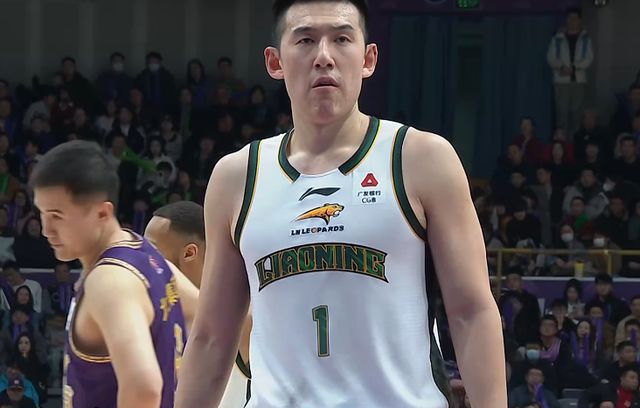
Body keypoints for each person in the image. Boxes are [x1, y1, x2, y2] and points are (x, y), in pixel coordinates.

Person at [175, 0, 506, 407]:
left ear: (368, 59)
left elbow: (471, 311)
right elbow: (211, 337)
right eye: (306, 40)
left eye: (342, 39)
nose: (324, 57)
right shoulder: (237, 177)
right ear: (275, 62)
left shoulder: (420, 158)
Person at [29, 140, 198, 408]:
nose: (46, 229)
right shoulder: (143, 250)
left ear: (102, 212)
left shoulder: (109, 281)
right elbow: (207, 315)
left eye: (57, 215)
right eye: (42, 214)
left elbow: (144, 388)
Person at [145, 201, 252, 407]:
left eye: (152, 251)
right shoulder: (151, 314)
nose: (145, 260)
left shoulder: (243, 317)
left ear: (189, 253)